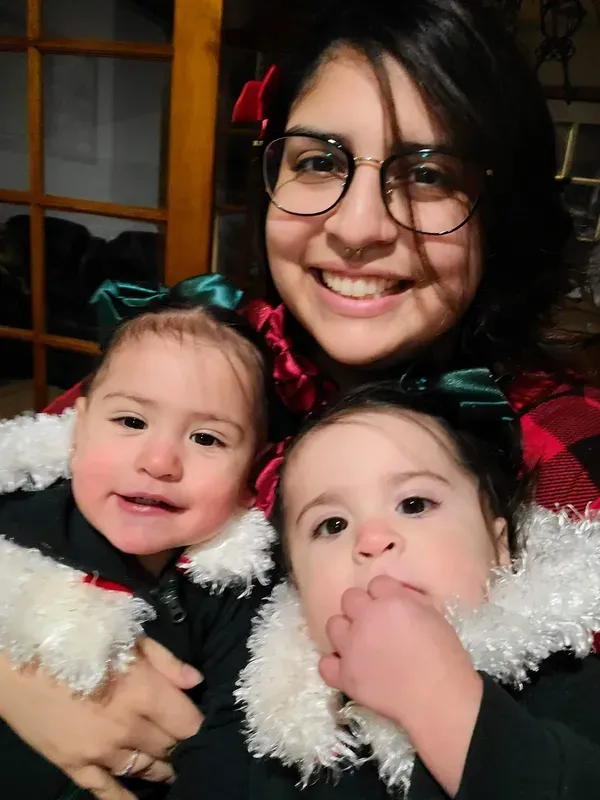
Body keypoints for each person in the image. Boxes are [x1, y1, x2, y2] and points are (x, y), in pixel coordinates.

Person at [5, 0, 600, 792]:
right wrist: (18, 665)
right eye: (318, 161)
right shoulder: (200, 363)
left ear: (504, 212)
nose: (358, 227)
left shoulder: (563, 449)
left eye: (426, 174)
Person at [170, 380, 600, 799]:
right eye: (332, 525)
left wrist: (441, 702)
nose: (373, 539)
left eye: (414, 504)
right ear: (297, 591)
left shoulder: (571, 676)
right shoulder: (267, 734)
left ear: (500, 544)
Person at [0, 278, 280, 800]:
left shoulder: (239, 593)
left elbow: (233, 742)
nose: (158, 463)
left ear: (253, 471)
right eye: (131, 420)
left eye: (206, 438)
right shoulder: (20, 516)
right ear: (78, 431)